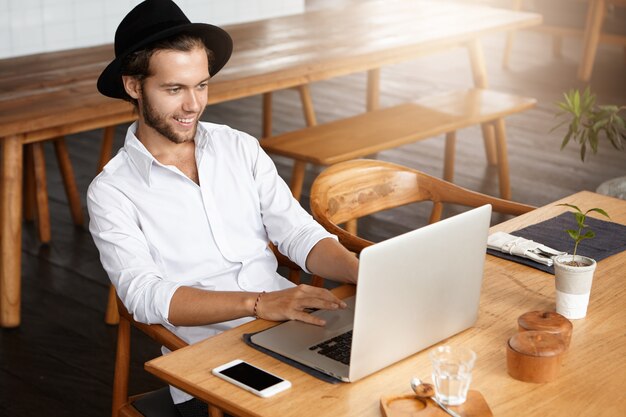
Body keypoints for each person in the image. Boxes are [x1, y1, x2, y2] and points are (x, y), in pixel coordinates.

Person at [88, 0, 359, 415]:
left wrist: (363, 271)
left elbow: (298, 232)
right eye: (174, 89)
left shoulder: (238, 146)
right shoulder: (112, 191)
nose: (193, 105)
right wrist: (256, 303)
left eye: (202, 85)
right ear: (133, 86)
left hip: (292, 321)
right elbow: (143, 296)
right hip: (208, 357)